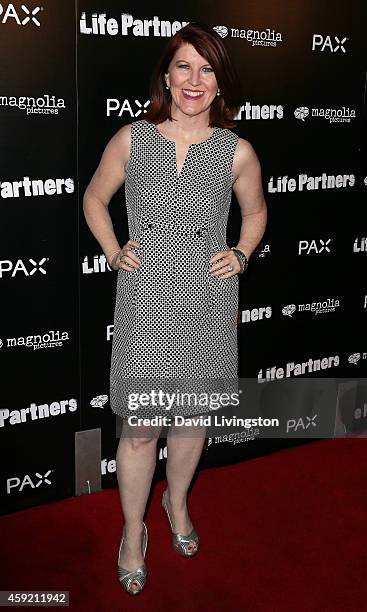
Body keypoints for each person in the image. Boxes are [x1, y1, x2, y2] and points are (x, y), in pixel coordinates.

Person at [83, 22, 267, 595]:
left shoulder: (236, 149)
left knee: (191, 424)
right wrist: (115, 251)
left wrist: (240, 252)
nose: (195, 79)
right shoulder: (133, 139)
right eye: (184, 66)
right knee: (139, 432)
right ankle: (133, 532)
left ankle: (177, 503)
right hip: (145, 306)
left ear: (219, 83)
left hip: (206, 306)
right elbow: (94, 198)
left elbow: (257, 214)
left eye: (207, 69)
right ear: (167, 74)